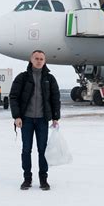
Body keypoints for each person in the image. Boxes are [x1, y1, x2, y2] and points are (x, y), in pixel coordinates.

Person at [9, 50, 61, 191]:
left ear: (44, 61)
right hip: (26, 120)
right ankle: (27, 179)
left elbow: (55, 99)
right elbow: (13, 97)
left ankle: (43, 179)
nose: (39, 61)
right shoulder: (23, 77)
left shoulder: (49, 79)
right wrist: (17, 116)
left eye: (41, 59)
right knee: (26, 150)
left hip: (42, 121)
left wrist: (55, 117)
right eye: (36, 58)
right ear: (31, 60)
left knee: (42, 151)